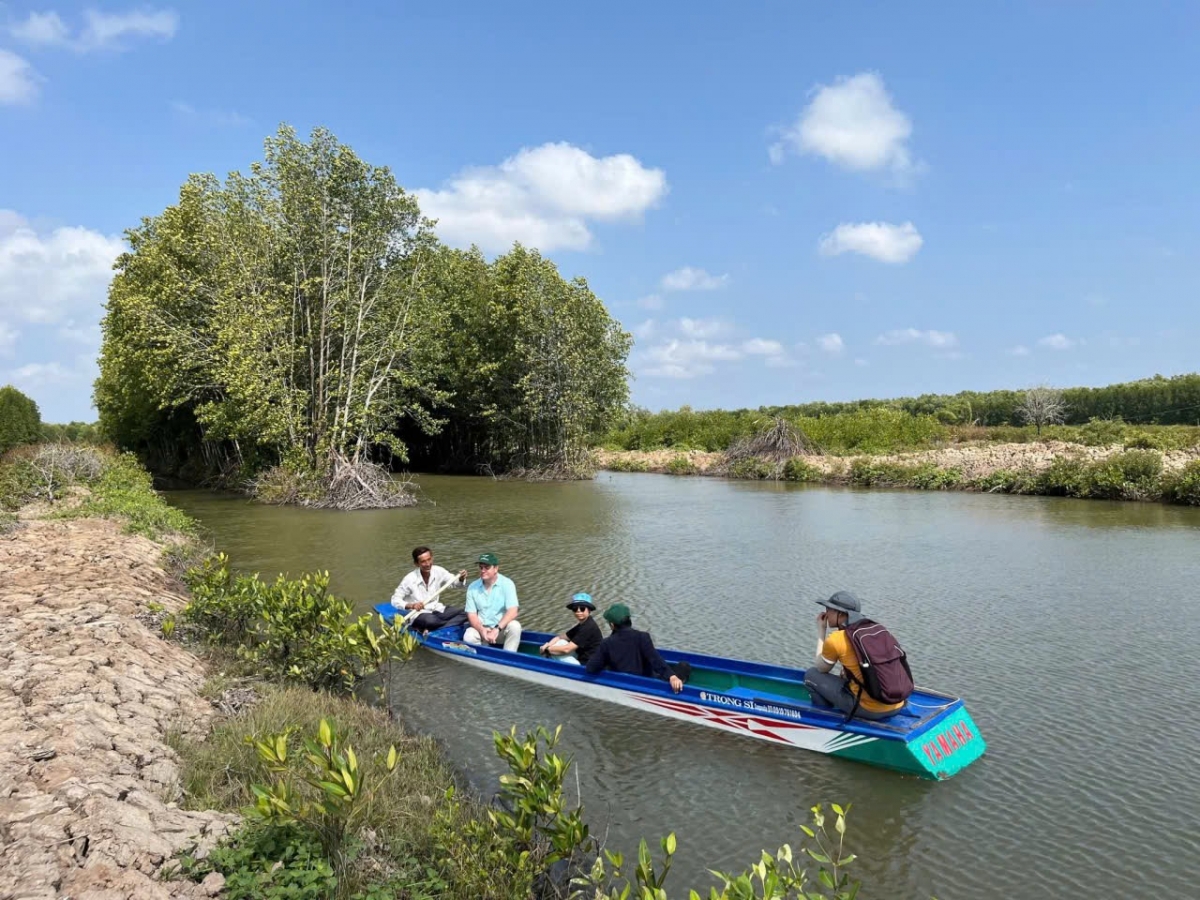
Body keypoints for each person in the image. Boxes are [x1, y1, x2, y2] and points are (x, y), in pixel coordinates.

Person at [804, 591, 905, 720]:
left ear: (840, 613)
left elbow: (821, 668)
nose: (826, 613)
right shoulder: (877, 629)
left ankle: (823, 719)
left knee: (811, 675)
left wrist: (821, 631)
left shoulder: (837, 638)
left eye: (828, 609)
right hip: (896, 704)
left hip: (869, 709)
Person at [585, 603, 687, 693]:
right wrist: (672, 676)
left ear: (612, 625)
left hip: (622, 681)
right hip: (646, 682)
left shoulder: (606, 643)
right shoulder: (643, 637)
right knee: (684, 666)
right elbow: (655, 660)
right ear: (629, 620)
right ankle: (680, 687)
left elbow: (591, 667)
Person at [390, 546, 469, 632]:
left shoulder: (439, 570)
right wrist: (412, 605)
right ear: (416, 564)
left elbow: (456, 584)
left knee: (467, 613)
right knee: (431, 621)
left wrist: (461, 579)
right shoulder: (409, 579)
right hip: (419, 614)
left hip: (437, 609)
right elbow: (395, 600)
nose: (428, 564)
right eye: (423, 561)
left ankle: (437, 628)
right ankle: (436, 626)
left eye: (429, 559)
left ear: (432, 558)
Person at [464, 552, 522, 651]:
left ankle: (509, 657)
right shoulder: (472, 587)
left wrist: (497, 629)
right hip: (482, 629)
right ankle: (481, 657)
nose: (483, 570)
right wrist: (481, 630)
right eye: (481, 567)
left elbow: (513, 610)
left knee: (515, 626)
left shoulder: (507, 584)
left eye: (486, 567)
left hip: (500, 629)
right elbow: (471, 614)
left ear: (496, 568)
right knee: (469, 636)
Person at [539, 593, 603, 665]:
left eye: (582, 608)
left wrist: (547, 650)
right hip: (582, 657)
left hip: (587, 665)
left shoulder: (588, 627)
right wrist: (547, 645)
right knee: (561, 642)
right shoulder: (583, 624)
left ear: (589, 610)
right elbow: (560, 637)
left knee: (554, 652)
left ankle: (545, 665)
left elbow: (567, 649)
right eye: (575, 609)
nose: (578, 611)